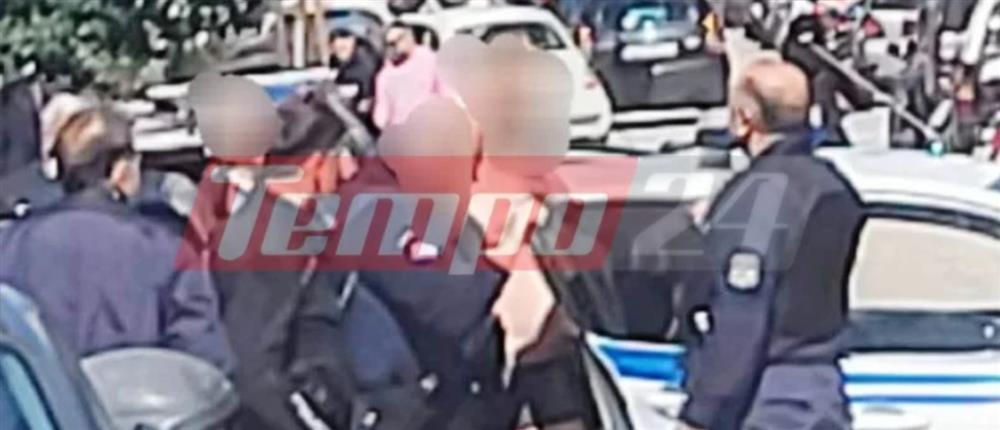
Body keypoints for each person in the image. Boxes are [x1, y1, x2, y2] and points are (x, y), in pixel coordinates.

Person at [678, 59, 866, 430]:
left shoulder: (760, 196)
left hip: (767, 398)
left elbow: (742, 318)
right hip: (822, 393)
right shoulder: (831, 185)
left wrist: (703, 414)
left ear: (743, 118)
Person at [0, 106, 234, 371]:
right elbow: (202, 360)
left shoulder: (9, 244)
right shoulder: (165, 248)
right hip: (141, 395)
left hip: (42, 396)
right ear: (121, 169)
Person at [372, 22, 446, 130]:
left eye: (400, 38)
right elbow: (381, 112)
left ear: (410, 35)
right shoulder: (385, 77)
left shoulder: (428, 58)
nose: (398, 44)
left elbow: (445, 89)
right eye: (392, 43)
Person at [329, 27, 379, 123]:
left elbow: (366, 83)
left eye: (344, 48)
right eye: (337, 49)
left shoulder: (364, 60)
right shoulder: (336, 60)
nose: (341, 53)